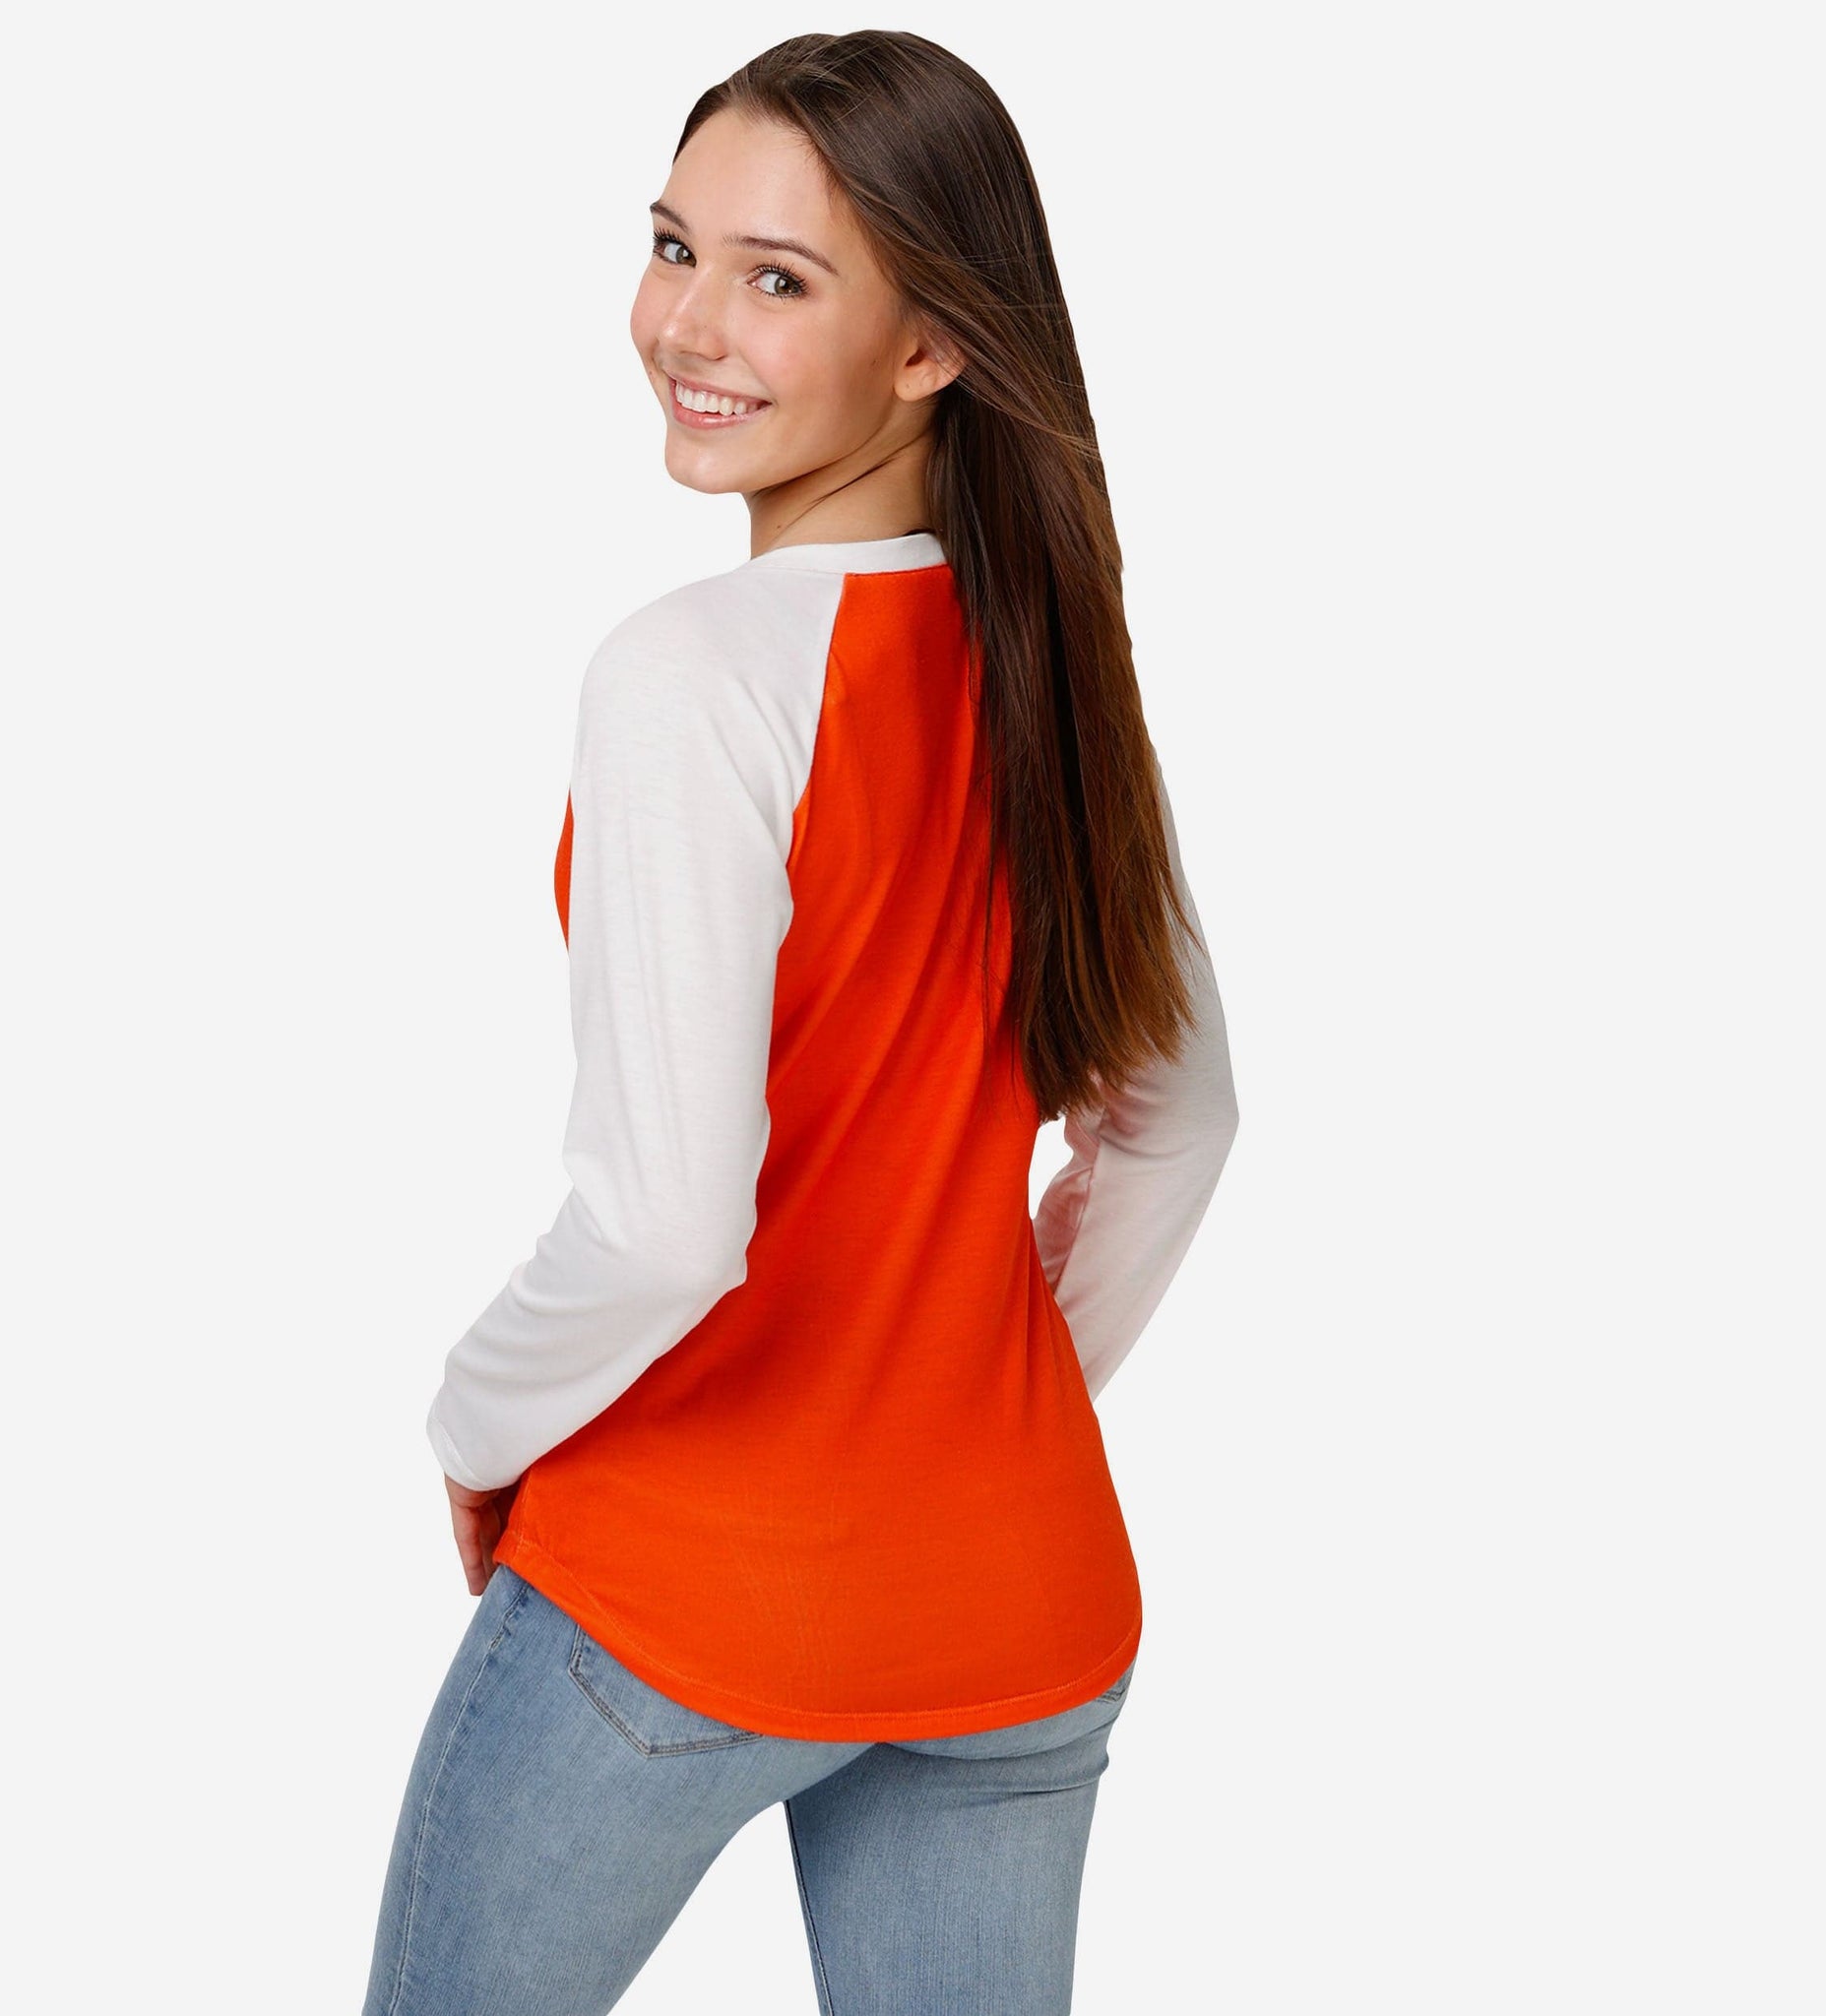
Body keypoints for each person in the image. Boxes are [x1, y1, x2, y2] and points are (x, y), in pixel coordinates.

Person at [363, 30, 1240, 2016]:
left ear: (931, 343)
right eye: (674, 246)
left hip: (691, 1593)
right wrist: (989, 1397)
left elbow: (663, 1225)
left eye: (776, 279)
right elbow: (1183, 1120)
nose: (686, 325)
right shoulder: (1057, 671)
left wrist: (476, 1422)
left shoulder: (693, 676)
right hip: (1015, 1599)